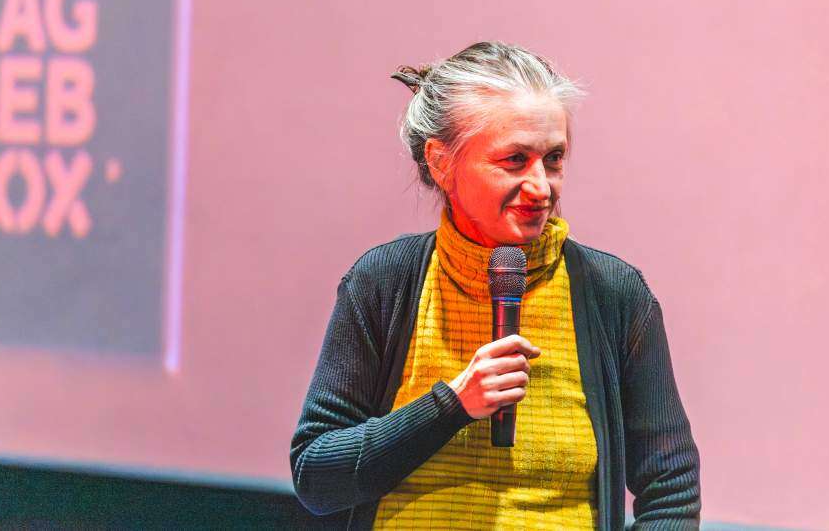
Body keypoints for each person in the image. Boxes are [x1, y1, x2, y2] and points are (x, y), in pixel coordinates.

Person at [290, 42, 700, 530]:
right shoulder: (384, 282)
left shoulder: (614, 293)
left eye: (553, 159)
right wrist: (452, 404)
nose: (541, 187)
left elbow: (671, 490)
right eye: (514, 160)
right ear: (441, 163)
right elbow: (318, 478)